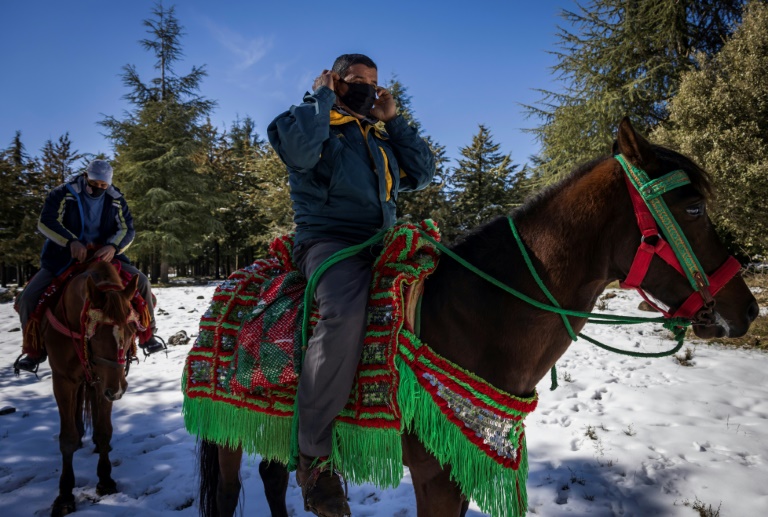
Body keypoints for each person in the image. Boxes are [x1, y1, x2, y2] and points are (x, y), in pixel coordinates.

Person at [268, 53, 435, 515]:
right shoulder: (303, 121)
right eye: (357, 80)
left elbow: (421, 174)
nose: (367, 88)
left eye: (374, 83)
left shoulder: (377, 138)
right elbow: (300, 153)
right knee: (344, 311)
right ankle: (314, 457)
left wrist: (394, 121)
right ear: (336, 81)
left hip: (382, 240)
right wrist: (321, 99)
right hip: (328, 241)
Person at [14, 159, 165, 374]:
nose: (98, 189)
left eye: (103, 186)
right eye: (94, 184)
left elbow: (127, 229)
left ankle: (148, 336)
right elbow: (46, 222)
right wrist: (70, 242)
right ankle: (33, 350)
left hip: (105, 257)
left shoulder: (116, 199)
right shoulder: (62, 193)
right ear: (86, 177)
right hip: (63, 258)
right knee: (29, 297)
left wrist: (113, 247)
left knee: (141, 282)